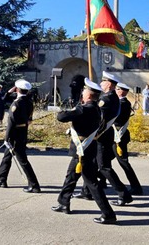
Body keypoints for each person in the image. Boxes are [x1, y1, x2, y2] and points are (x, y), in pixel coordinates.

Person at [51, 78, 117, 225]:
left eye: (84, 90)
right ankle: (63, 202)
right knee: (71, 176)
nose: (83, 92)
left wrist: (68, 110)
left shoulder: (83, 108)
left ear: (88, 95)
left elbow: (61, 117)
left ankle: (108, 213)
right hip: (88, 148)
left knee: (92, 183)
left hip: (82, 150)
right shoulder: (96, 108)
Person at [77, 71, 132, 207]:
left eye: (103, 81)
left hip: (101, 137)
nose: (100, 83)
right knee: (92, 164)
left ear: (108, 84)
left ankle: (124, 194)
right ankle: (86, 191)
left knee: (104, 167)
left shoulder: (106, 99)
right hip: (103, 136)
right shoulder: (111, 97)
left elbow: (98, 117)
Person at [0, 79, 41, 193]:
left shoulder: (16, 103)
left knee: (23, 160)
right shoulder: (29, 102)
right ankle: (2, 179)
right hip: (22, 132)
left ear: (17, 89)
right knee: (7, 156)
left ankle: (34, 185)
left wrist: (7, 138)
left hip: (14, 135)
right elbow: (29, 119)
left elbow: (11, 122)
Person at [112, 82, 143, 195]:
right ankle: (101, 182)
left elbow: (115, 118)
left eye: (116, 89)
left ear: (120, 91)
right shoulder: (122, 103)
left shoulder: (122, 103)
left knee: (123, 163)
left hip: (118, 137)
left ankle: (136, 187)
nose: (115, 91)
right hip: (115, 137)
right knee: (103, 163)